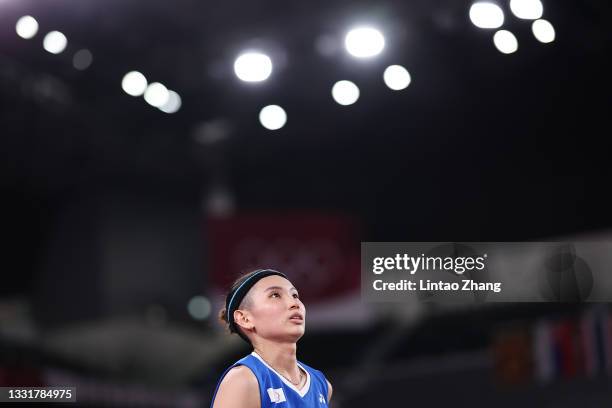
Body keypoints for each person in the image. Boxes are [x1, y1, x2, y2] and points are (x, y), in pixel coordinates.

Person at [210, 269, 333, 407]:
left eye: (295, 295)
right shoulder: (243, 380)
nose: (295, 303)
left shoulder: (322, 384)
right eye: (275, 295)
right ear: (245, 319)